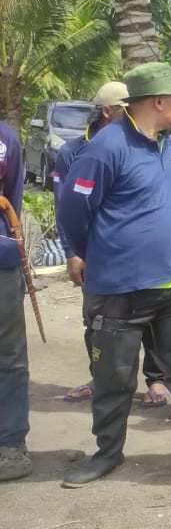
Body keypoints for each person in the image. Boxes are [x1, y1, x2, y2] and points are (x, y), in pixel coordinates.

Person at [57, 62, 171, 488]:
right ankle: (107, 454)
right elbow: (73, 211)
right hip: (119, 289)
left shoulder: (168, 144)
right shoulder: (107, 148)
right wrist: (87, 252)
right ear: (158, 101)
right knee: (113, 377)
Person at [54, 81, 170, 406]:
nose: (134, 114)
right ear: (107, 111)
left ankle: (157, 380)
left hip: (141, 252)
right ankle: (101, 377)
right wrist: (73, 252)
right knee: (97, 321)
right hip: (97, 254)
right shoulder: (72, 152)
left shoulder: (147, 144)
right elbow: (65, 206)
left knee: (152, 316)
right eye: (125, 108)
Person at [0, 119, 28, 482]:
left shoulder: (6, 137)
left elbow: (15, 198)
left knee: (10, 357)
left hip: (2, 262)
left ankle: (10, 444)